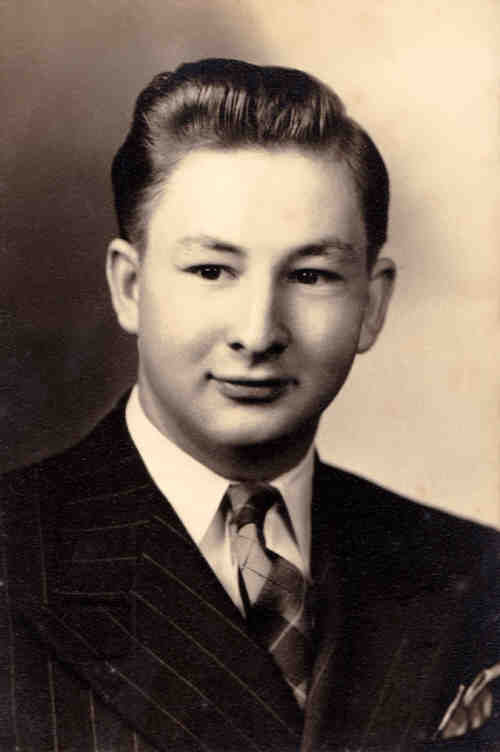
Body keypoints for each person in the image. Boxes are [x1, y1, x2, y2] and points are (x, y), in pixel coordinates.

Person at [1, 58, 498, 752]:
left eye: (311, 275)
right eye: (212, 270)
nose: (259, 333)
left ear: (372, 303)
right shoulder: (16, 553)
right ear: (129, 287)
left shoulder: (476, 572)